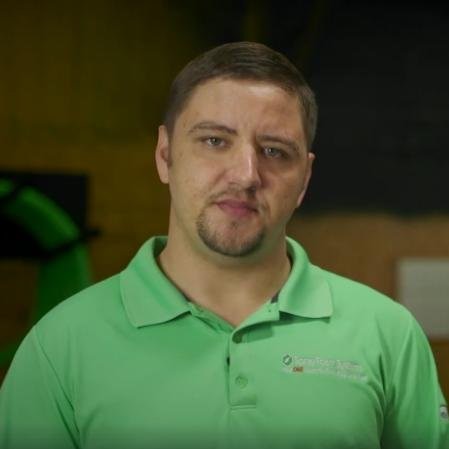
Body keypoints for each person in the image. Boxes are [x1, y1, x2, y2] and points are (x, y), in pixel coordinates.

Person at [0, 41, 448, 449]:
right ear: (165, 155)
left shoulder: (387, 334)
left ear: (305, 179)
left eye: (274, 151)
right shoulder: (60, 346)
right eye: (215, 141)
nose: (246, 175)